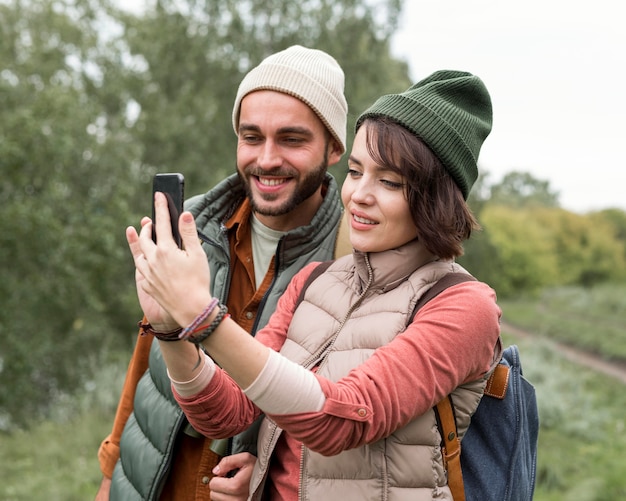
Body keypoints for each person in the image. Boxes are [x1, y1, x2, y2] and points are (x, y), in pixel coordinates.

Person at [128, 70, 502, 500]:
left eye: (389, 181)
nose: (359, 194)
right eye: (357, 172)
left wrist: (204, 316)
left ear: (437, 196)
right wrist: (172, 330)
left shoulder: (462, 305)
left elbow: (341, 420)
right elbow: (228, 413)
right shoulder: (314, 282)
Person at [95, 45, 350, 501]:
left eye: (291, 139)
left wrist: (275, 475)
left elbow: (351, 414)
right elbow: (146, 364)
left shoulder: (350, 257)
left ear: (333, 148)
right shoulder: (190, 226)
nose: (267, 159)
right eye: (252, 137)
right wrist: (110, 475)